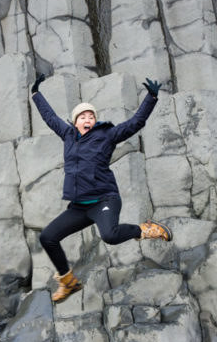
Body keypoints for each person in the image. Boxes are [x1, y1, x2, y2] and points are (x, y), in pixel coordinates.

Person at [31, 74, 172, 302]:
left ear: (94, 121)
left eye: (91, 116)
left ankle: (146, 230)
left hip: (105, 199)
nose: (88, 118)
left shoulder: (106, 135)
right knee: (48, 237)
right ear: (75, 121)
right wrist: (36, 95)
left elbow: (135, 123)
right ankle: (68, 282)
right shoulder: (68, 136)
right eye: (83, 116)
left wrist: (151, 98)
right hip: (79, 207)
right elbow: (50, 117)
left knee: (110, 235)